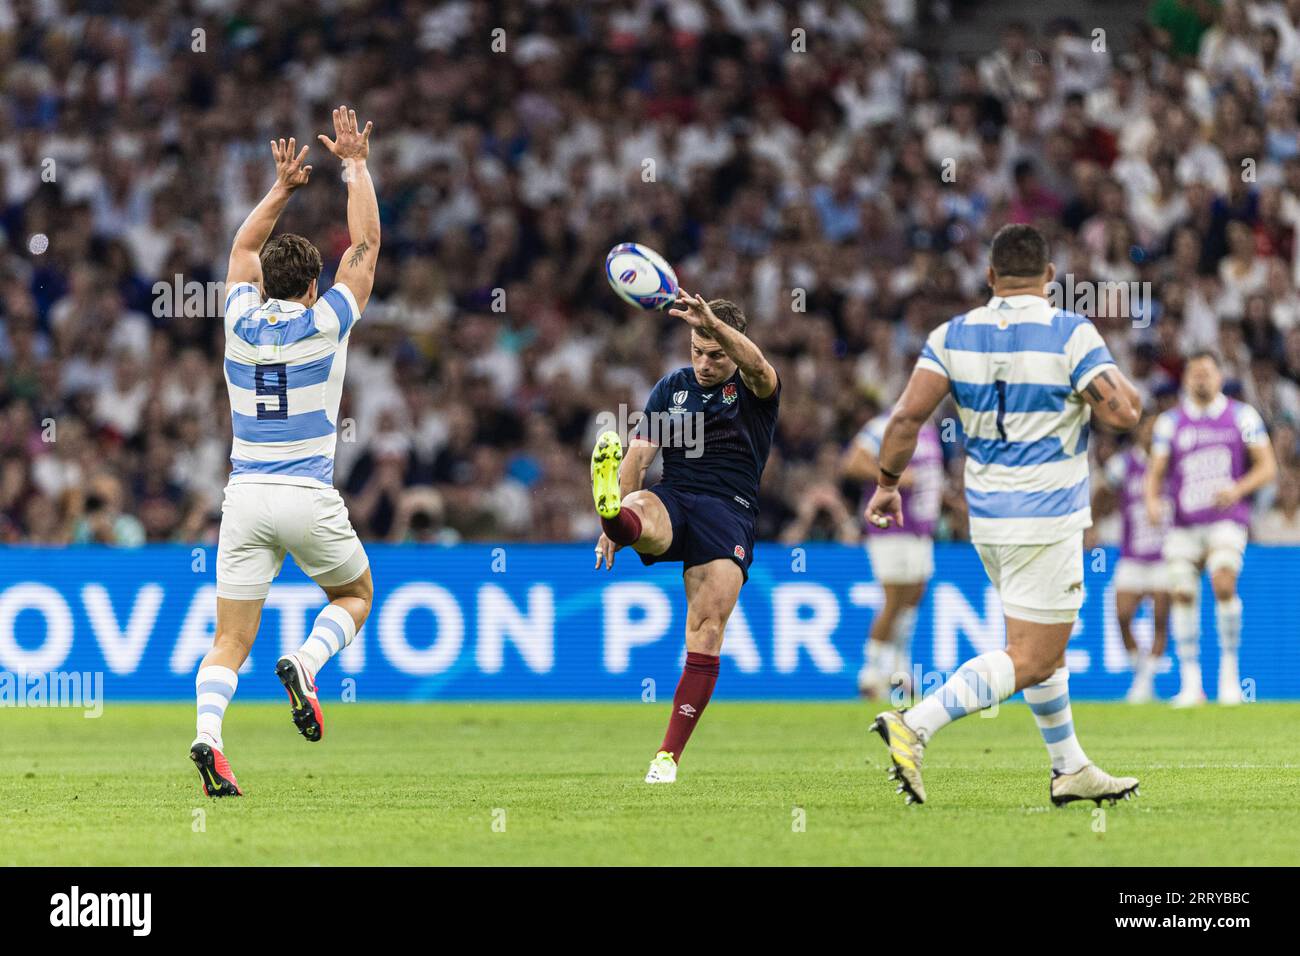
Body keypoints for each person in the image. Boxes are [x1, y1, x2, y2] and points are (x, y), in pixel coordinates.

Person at [865, 223, 1144, 806]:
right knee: (1034, 654)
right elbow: (1123, 413)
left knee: (1045, 650)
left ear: (990, 277)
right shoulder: (1070, 332)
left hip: (988, 522)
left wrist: (887, 485)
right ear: (1049, 278)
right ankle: (914, 724)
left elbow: (904, 421)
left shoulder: (952, 335)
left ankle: (1070, 769)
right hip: (1047, 518)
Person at [191, 106, 380, 797]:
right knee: (355, 595)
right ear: (310, 286)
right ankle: (304, 662)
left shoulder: (238, 317)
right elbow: (366, 247)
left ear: (264, 284)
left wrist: (282, 188)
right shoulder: (326, 320)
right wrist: (353, 165)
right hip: (305, 493)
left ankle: (208, 737)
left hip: (242, 497)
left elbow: (242, 251)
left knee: (230, 641)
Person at [591, 292, 779, 784]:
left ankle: (667, 757)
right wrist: (608, 530)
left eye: (715, 353)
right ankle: (614, 517)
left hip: (729, 512)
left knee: (707, 630)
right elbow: (637, 458)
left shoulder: (757, 390)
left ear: (732, 348)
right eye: (697, 350)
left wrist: (719, 327)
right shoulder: (671, 388)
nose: (703, 362)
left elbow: (757, 363)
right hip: (676, 495)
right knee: (637, 508)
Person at [1144, 351, 1278, 707]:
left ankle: (1229, 678)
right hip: (1184, 524)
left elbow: (1267, 467)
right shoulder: (1169, 422)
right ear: (1186, 380)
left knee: (1223, 583)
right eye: (1194, 374)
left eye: (1207, 372)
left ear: (1220, 377)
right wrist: (1152, 501)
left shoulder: (1242, 415)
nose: (1201, 379)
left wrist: (1237, 489)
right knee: (1183, 593)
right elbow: (1155, 472)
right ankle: (1191, 685)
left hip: (1226, 520)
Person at [841, 403, 944, 699]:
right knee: (894, 599)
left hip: (920, 528)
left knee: (912, 599)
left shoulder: (929, 430)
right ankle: (870, 674)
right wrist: (891, 477)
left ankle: (899, 671)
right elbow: (853, 461)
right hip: (891, 527)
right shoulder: (885, 425)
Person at [1100, 413, 1172, 702]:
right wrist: (1093, 523)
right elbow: (1102, 491)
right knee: (1122, 614)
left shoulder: (1172, 462)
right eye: (1147, 429)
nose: (1151, 434)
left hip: (1166, 554)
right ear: (1139, 431)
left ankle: (1145, 681)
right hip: (1131, 553)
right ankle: (1139, 672)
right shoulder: (1124, 463)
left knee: (1160, 618)